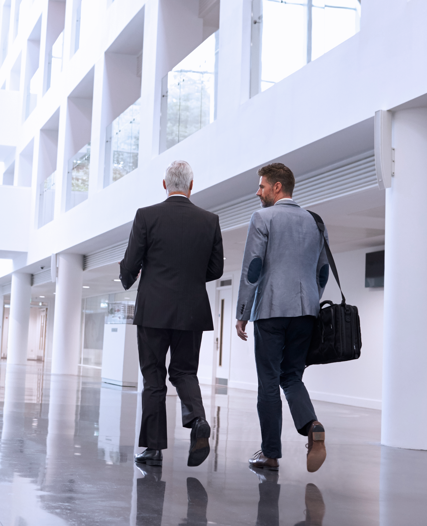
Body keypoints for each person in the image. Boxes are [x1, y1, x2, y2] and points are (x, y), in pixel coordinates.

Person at [119, 160, 224, 468]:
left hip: (152, 310)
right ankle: (198, 420)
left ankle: (153, 450)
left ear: (164, 185)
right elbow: (215, 268)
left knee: (154, 377)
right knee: (184, 372)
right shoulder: (209, 220)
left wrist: (128, 279)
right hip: (192, 311)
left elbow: (130, 263)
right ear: (192, 186)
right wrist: (189, 280)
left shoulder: (147, 216)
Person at [235, 163, 328, 473]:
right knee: (292, 376)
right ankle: (311, 424)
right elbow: (323, 270)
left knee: (269, 381)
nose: (257, 192)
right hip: (306, 312)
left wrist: (242, 313)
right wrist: (310, 298)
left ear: (277, 187)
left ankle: (270, 454)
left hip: (271, 309)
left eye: (262, 186)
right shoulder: (315, 221)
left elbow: (253, 268)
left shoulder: (262, 218)